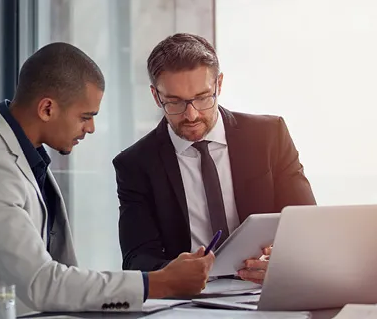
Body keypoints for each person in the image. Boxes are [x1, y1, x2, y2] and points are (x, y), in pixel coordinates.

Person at [0, 42, 215, 318]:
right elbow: (41, 284)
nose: (90, 128)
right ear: (47, 109)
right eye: (85, 117)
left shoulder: (22, 155)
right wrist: (159, 283)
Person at [113, 33, 316, 285]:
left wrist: (286, 261)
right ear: (156, 96)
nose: (191, 115)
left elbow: (309, 226)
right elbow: (136, 258)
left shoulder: (269, 135)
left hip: (267, 290)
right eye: (174, 102)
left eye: (202, 97)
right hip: (189, 300)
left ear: (219, 85)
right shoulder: (135, 164)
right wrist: (173, 273)